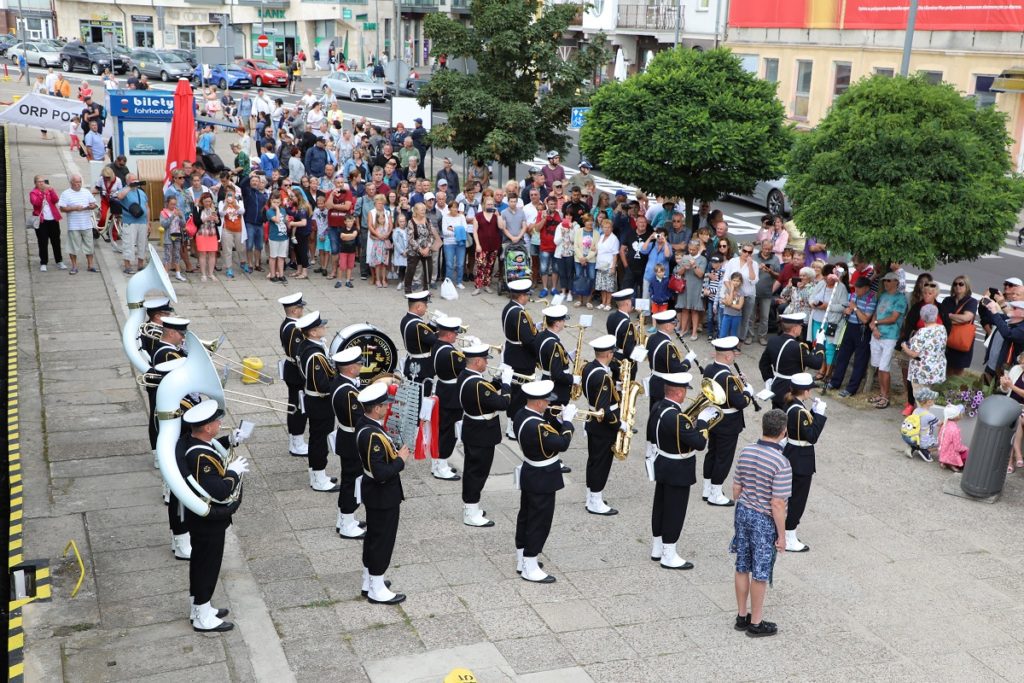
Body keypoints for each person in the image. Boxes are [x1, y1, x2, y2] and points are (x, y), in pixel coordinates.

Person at [179, 399, 249, 632]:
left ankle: (201, 607)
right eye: (217, 422)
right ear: (208, 427)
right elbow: (219, 490)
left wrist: (229, 441)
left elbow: (210, 448)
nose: (220, 424)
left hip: (201, 519)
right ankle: (202, 616)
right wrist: (233, 473)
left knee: (203, 563)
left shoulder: (195, 441)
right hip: (207, 521)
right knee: (207, 566)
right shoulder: (200, 458)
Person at [730, 409, 792, 638]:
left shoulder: (746, 451)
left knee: (742, 564)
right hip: (763, 519)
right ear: (783, 431)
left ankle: (741, 616)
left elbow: (736, 489)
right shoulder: (781, 462)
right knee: (760, 571)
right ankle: (756, 622)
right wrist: (782, 536)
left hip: (743, 512)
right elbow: (778, 503)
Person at [647, 372, 715, 569]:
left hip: (662, 463)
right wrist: (702, 422)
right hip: (678, 469)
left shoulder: (658, 406)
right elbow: (699, 443)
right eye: (684, 390)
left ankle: (657, 548)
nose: (686, 394)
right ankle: (669, 554)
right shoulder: (677, 418)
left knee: (660, 506)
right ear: (678, 393)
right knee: (675, 511)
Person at [513, 379, 575, 582]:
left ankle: (522, 560)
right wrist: (568, 423)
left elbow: (546, 433)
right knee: (539, 522)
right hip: (542, 477)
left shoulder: (521, 414)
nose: (549, 404)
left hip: (531, 472)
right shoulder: (538, 426)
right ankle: (530, 567)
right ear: (539, 402)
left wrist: (556, 420)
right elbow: (561, 443)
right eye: (546, 402)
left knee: (526, 517)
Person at [357, 381, 411, 604]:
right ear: (376, 408)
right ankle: (376, 589)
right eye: (384, 405)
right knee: (382, 541)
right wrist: (400, 460)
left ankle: (369, 581)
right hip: (382, 495)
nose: (387, 408)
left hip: (376, 494)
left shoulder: (367, 424)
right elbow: (381, 473)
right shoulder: (373, 436)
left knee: (373, 538)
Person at [458, 343, 511, 526]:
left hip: (473, 429)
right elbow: (503, 403)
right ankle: (471, 513)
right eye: (485, 360)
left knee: (474, 471)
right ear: (478, 361)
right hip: (481, 433)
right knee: (477, 473)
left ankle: (471, 507)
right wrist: (506, 384)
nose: (487, 363)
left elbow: (485, 394)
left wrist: (497, 381)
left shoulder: (466, 375)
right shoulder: (478, 384)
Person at [702, 337, 754, 507]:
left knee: (712, 453)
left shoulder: (710, 369)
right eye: (733, 352)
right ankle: (716, 494)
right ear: (727, 356)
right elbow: (740, 402)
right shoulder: (727, 377)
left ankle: (707, 489)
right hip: (728, 422)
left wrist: (737, 382)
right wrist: (748, 392)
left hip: (713, 418)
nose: (734, 355)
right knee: (723, 458)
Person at [780, 373, 826, 552]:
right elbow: (812, 436)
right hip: (800, 458)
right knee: (797, 500)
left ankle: (784, 532)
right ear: (805, 391)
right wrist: (819, 415)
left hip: (792, 453)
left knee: (790, 497)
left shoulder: (793, 404)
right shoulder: (799, 411)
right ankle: (789, 536)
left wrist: (812, 412)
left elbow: (803, 428)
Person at [297, 311, 342, 492]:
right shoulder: (315, 355)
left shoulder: (308, 345)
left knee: (317, 439)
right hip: (320, 403)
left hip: (316, 402)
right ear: (313, 332)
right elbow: (321, 385)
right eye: (321, 326)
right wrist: (339, 383)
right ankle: (318, 479)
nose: (324, 327)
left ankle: (317, 475)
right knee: (320, 442)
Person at [581, 335, 624, 515]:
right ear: (608, 354)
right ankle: (595, 502)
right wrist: (619, 424)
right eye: (612, 352)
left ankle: (591, 496)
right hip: (603, 426)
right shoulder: (603, 377)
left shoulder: (589, 367)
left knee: (594, 461)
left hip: (593, 422)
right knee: (601, 463)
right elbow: (604, 410)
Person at [329, 347, 367, 539]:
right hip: (352, 440)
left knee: (349, 481)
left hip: (346, 437)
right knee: (352, 483)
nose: (361, 366)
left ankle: (344, 520)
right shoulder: (349, 393)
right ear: (351, 368)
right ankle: (347, 524)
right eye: (359, 364)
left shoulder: (340, 382)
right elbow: (359, 419)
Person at [759, 313, 824, 410]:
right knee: (790, 417)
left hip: (776, 386)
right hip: (791, 390)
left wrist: (769, 378)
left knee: (776, 416)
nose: (801, 328)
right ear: (794, 328)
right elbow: (817, 364)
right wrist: (820, 344)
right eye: (800, 326)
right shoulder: (798, 347)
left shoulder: (773, 340)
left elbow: (763, 364)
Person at [430, 317, 466, 482]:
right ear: (449, 334)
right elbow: (467, 367)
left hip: (443, 390)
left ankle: (437, 464)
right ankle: (441, 468)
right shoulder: (450, 353)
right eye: (455, 333)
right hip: (451, 396)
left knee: (442, 430)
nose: (457, 336)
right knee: (448, 433)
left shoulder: (437, 345)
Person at [502, 279, 540, 438]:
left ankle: (512, 424)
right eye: (527, 295)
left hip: (513, 352)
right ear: (521, 296)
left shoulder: (509, 307)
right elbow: (528, 340)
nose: (528, 298)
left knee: (516, 390)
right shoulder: (519, 313)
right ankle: (513, 426)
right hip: (521, 357)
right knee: (519, 393)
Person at [828, 276, 877, 397]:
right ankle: (835, 382)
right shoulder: (853, 295)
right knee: (842, 356)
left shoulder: (871, 298)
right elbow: (846, 309)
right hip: (849, 326)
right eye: (855, 289)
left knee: (859, 360)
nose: (856, 292)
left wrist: (855, 308)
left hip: (862, 330)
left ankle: (851, 389)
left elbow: (865, 319)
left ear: (866, 288)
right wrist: (847, 311)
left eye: (859, 289)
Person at [867, 272, 908, 409]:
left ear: (896, 282)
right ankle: (882, 393)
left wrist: (876, 322)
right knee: (879, 366)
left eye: (889, 281)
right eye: (885, 280)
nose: (886, 283)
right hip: (877, 334)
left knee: (884, 367)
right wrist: (874, 327)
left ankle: (886, 396)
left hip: (890, 336)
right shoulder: (883, 295)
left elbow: (893, 318)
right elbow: (876, 312)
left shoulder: (900, 299)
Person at [279, 293, 310, 458]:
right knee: (299, 408)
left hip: (292, 371)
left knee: (295, 406)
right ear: (294, 310)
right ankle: (297, 443)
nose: (302, 310)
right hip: (296, 373)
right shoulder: (293, 329)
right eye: (300, 308)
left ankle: (294, 440)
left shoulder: (288, 324)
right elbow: (298, 354)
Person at [646, 309, 696, 404]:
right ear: (667, 326)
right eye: (674, 323)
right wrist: (688, 360)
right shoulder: (668, 346)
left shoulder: (652, 338)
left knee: (654, 410)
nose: (675, 326)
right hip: (664, 385)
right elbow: (677, 371)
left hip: (654, 380)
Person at [535, 304, 576, 409]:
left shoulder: (541, 335)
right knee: (554, 416)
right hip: (557, 389)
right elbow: (557, 375)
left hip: (546, 380)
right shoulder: (554, 344)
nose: (564, 323)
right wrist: (573, 379)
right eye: (563, 320)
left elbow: (546, 356)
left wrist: (567, 356)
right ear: (557, 323)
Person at [57, 173, 98, 274]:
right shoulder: (66, 193)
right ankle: (74, 266)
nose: (78, 184)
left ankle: (90, 265)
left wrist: (91, 206)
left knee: (89, 246)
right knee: (73, 247)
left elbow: (94, 204)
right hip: (74, 225)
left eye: (80, 182)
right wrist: (74, 208)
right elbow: (62, 208)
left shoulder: (86, 192)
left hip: (87, 224)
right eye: (76, 182)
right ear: (71, 183)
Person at [902, 304, 947, 391]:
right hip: (937, 369)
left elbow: (914, 354)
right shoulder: (942, 329)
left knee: (920, 396)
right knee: (930, 394)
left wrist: (904, 346)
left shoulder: (922, 332)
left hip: (922, 371)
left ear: (922, 317)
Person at [940, 275, 979, 377]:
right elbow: (942, 317)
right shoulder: (947, 300)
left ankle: (953, 388)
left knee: (958, 371)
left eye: (961, 284)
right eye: (955, 284)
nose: (957, 286)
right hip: (946, 338)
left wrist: (950, 316)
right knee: (945, 368)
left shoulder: (971, 301)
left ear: (967, 286)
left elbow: (966, 318)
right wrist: (957, 319)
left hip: (961, 339)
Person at [28, 176, 66, 272]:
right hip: (42, 221)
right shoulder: (33, 193)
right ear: (35, 183)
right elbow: (36, 203)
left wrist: (51, 190)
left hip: (53, 219)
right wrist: (42, 194)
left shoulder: (49, 190)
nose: (41, 183)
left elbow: (56, 200)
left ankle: (59, 261)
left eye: (43, 181)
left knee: (56, 241)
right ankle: (43, 262)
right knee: (43, 242)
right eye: (39, 182)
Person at [115, 174, 150, 275]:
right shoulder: (124, 190)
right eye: (133, 180)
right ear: (127, 181)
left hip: (142, 222)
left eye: (136, 179)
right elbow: (119, 196)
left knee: (142, 244)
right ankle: (127, 265)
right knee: (128, 243)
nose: (135, 181)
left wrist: (148, 222)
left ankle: (140, 264)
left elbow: (147, 207)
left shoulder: (141, 192)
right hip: (130, 222)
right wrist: (130, 187)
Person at [472, 197, 502, 295]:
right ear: (484, 205)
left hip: (494, 245)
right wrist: (477, 244)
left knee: (489, 266)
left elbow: (501, 227)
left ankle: (487, 285)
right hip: (482, 245)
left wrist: (498, 216)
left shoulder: (496, 215)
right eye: (488, 204)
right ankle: (478, 286)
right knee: (480, 266)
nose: (490, 206)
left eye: (491, 204)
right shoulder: (478, 216)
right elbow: (475, 231)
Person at [900, 387, 939, 463]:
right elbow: (939, 423)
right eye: (933, 399)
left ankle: (913, 447)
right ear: (929, 402)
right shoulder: (930, 416)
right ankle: (925, 450)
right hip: (925, 440)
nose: (934, 400)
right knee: (940, 444)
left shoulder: (916, 410)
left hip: (915, 437)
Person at [159, 196, 186, 282]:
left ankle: (178, 273)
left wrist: (181, 216)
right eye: (171, 204)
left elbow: (183, 224)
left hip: (177, 235)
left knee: (177, 254)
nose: (173, 206)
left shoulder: (178, 211)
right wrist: (172, 216)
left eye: (175, 204)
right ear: (167, 203)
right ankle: (165, 273)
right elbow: (164, 224)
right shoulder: (163, 212)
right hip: (168, 236)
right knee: (167, 255)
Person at [194, 194, 220, 282]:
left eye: (209, 201)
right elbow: (196, 221)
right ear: (202, 201)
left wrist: (216, 219)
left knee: (212, 254)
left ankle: (211, 273)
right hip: (201, 234)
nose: (208, 203)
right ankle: (203, 274)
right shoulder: (198, 208)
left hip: (212, 234)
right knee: (202, 254)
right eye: (206, 201)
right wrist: (206, 218)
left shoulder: (214, 209)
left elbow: (219, 223)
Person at [938, 404, 968, 472]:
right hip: (951, 454)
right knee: (967, 452)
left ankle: (944, 461)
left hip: (942, 451)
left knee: (949, 447)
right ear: (957, 416)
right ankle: (952, 464)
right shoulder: (955, 429)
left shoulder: (944, 425)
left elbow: (939, 438)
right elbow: (957, 447)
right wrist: (964, 448)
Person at [719, 273, 746, 339]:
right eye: (734, 280)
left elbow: (739, 307)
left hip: (736, 316)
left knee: (733, 335)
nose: (736, 282)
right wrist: (731, 291)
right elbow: (729, 302)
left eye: (738, 281)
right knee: (723, 334)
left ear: (741, 282)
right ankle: (723, 345)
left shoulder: (741, 292)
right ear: (731, 281)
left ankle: (733, 345)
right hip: (727, 315)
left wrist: (726, 303)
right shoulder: (727, 291)